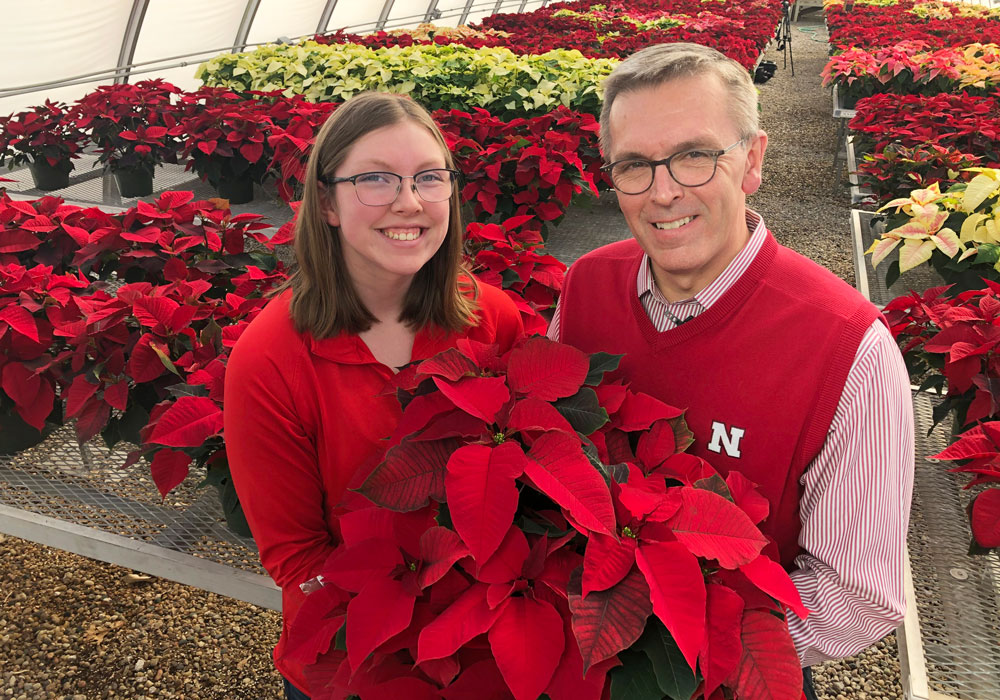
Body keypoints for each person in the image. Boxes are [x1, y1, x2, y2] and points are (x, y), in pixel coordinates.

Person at [548, 43, 914, 697]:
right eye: (634, 165)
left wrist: (680, 645)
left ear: (752, 160)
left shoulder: (846, 347)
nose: (663, 192)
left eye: (694, 155)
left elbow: (858, 597)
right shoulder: (585, 286)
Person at [224, 92, 524, 700]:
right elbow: (297, 557)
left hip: (479, 652)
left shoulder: (490, 317)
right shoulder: (270, 357)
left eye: (429, 178)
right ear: (328, 202)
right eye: (376, 180)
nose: (409, 202)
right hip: (355, 662)